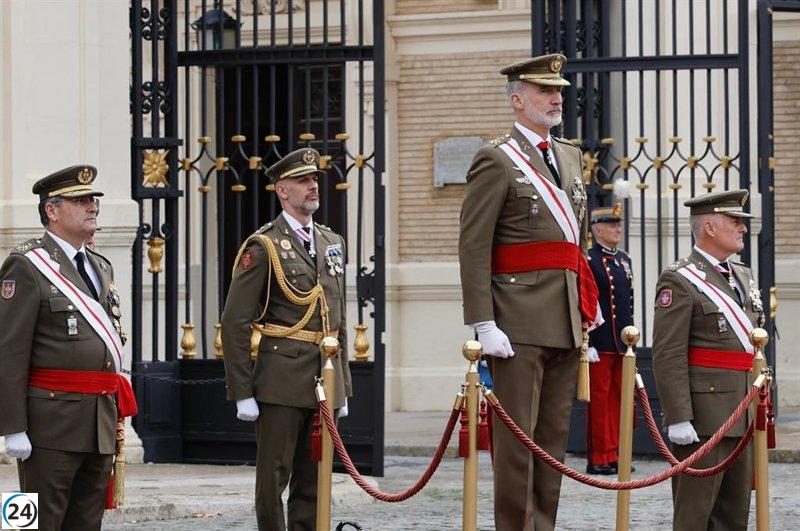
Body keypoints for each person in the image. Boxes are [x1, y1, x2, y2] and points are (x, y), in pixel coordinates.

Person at [459, 53, 600, 530]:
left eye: (558, 90)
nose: (556, 98)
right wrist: (484, 322)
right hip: (515, 318)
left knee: (552, 442)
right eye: (545, 90)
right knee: (518, 445)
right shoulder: (496, 158)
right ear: (518, 99)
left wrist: (586, 303)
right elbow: (474, 246)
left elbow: (575, 241)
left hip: (564, 316)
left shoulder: (569, 155)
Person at [221, 148, 351, 531]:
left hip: (325, 378)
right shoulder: (263, 246)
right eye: (302, 181)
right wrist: (242, 391)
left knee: (314, 479)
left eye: (314, 180)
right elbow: (234, 321)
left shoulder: (332, 241)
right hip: (281, 379)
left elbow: (337, 319)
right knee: (273, 478)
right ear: (282, 191)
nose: (313, 186)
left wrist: (342, 385)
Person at [0, 165, 133, 531]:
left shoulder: (100, 266)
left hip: (98, 422)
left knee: (86, 522)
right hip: (49, 425)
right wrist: (12, 426)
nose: (92, 207)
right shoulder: (26, 264)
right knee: (34, 524)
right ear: (52, 210)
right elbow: (9, 351)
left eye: (93, 200)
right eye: (80, 200)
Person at [652, 189, 764, 531]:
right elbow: (668, 352)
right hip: (704, 418)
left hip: (743, 410)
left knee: (733, 517)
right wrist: (678, 416)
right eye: (735, 221)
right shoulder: (679, 279)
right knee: (695, 515)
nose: (743, 228)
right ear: (710, 227)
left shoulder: (742, 275)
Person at [584, 204, 635, 475]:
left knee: (620, 399)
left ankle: (615, 453)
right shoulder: (589, 259)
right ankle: (598, 457)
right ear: (597, 230)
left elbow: (628, 302)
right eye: (611, 226)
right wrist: (588, 341)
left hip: (621, 343)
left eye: (618, 225)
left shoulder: (624, 259)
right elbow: (586, 301)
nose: (617, 229)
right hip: (600, 341)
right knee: (600, 402)